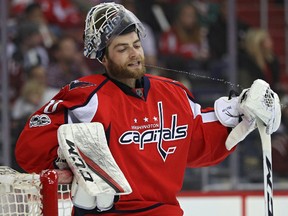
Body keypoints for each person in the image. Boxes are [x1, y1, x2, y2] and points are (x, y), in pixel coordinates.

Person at [15, 2, 281, 215]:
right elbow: (29, 151)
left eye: (136, 45)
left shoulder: (172, 92)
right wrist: (68, 158)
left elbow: (197, 145)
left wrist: (240, 116)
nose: (134, 54)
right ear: (103, 58)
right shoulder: (85, 98)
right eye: (122, 49)